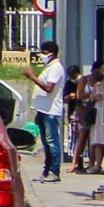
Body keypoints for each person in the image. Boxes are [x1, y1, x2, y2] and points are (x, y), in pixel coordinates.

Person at [32, 38, 70, 182]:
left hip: (51, 111)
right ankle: (47, 170)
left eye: (45, 53)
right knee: (46, 142)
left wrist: (32, 77)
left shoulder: (56, 67)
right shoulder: (49, 67)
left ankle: (55, 171)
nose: (42, 55)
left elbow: (49, 87)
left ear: (52, 54)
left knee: (52, 141)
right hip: (43, 110)